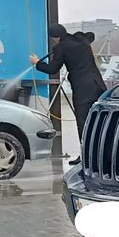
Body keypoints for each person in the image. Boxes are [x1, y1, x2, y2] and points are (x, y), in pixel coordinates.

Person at [31, 24, 106, 165]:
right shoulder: (82, 39)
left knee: (83, 123)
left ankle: (86, 158)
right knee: (100, 121)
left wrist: (37, 63)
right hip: (98, 86)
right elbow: (91, 35)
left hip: (82, 90)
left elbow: (52, 69)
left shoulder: (61, 48)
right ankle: (103, 155)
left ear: (54, 38)